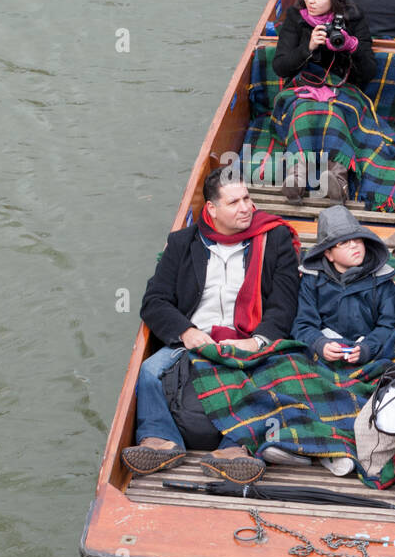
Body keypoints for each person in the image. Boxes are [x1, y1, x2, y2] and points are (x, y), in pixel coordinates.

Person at [124, 168, 300, 485]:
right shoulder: (182, 244)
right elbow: (155, 301)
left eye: (248, 198)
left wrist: (259, 341)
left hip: (247, 339)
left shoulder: (275, 239)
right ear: (212, 209)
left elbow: (284, 305)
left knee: (273, 377)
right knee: (150, 370)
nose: (246, 207)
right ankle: (160, 440)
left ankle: (234, 449)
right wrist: (187, 332)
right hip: (195, 337)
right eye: (234, 202)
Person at [272, 0, 376, 202]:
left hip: (343, 89)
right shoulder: (296, 17)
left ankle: (337, 181)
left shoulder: (353, 19)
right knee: (304, 109)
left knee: (333, 113)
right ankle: (297, 176)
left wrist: (351, 46)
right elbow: (280, 66)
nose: (310, 0)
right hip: (302, 86)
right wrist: (307, 48)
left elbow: (370, 71)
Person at [292, 205, 395, 366]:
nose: (354, 245)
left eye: (357, 239)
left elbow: (389, 325)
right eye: (344, 242)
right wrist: (320, 344)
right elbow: (303, 324)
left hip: (372, 354)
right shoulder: (312, 279)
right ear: (328, 254)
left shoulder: (382, 278)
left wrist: (367, 348)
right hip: (323, 355)